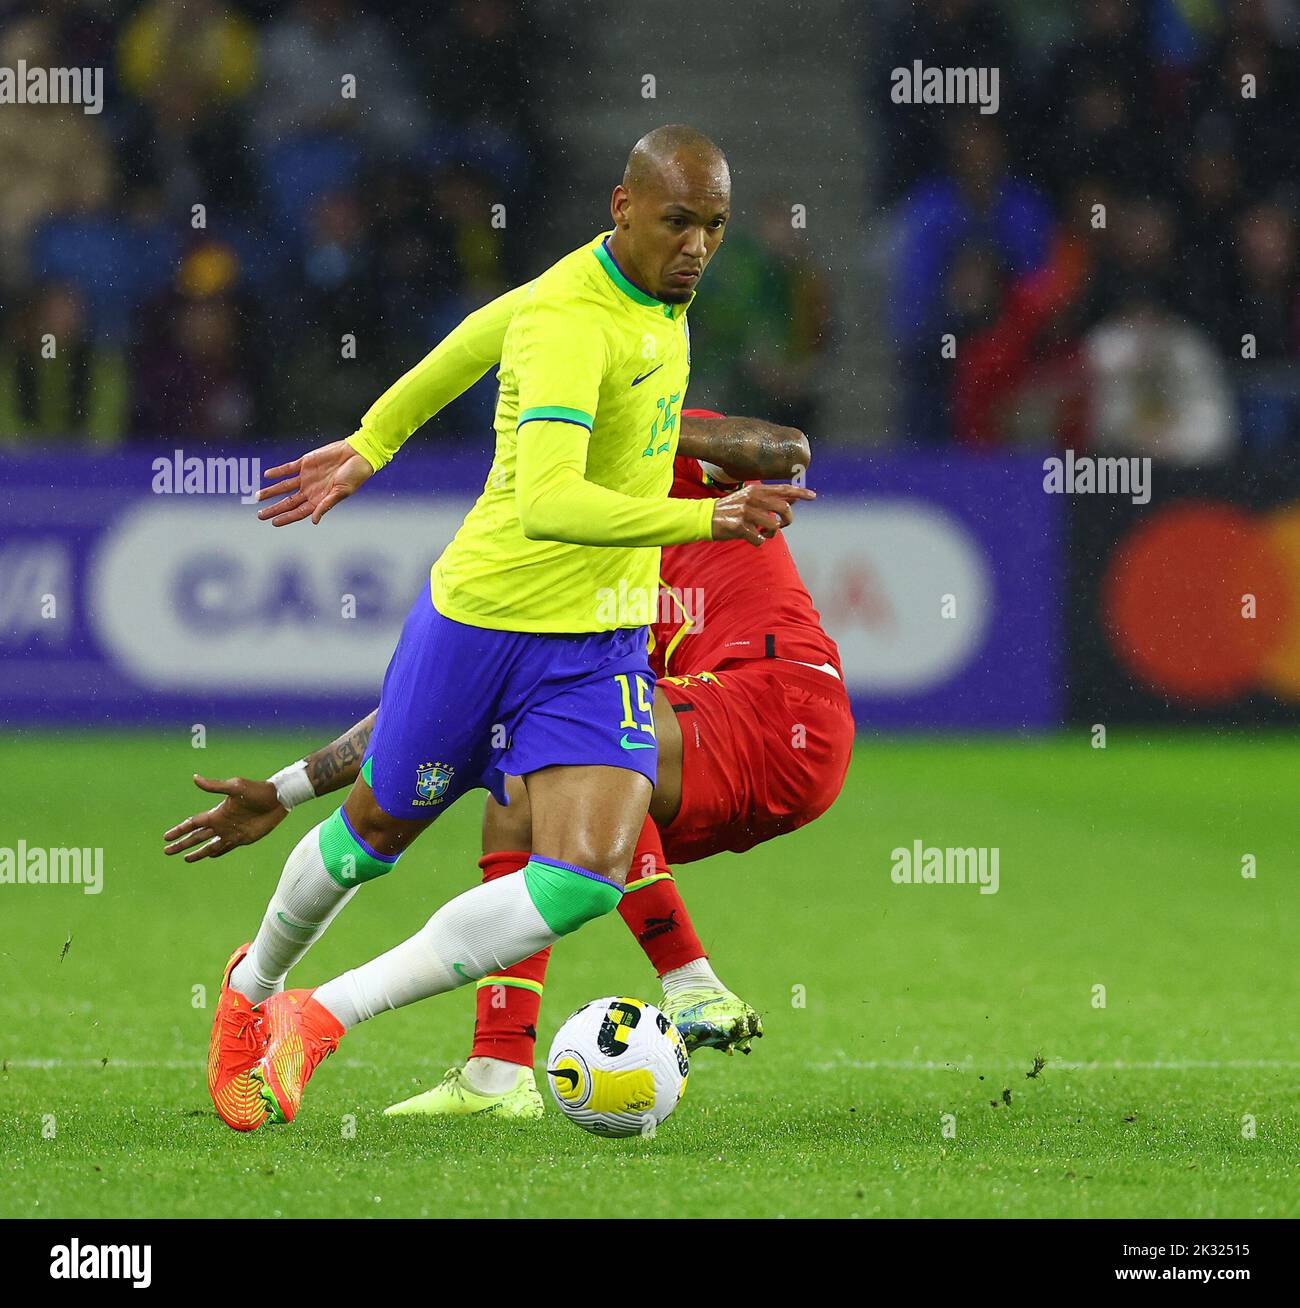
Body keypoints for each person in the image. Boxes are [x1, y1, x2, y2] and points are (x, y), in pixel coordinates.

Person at [203, 124, 814, 1131]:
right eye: (677, 222)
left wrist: (373, 440)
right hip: (484, 623)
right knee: (373, 839)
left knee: (579, 880)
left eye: (713, 225)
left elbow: (474, 336)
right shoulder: (577, 320)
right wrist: (706, 516)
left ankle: (318, 1017)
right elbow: (549, 504)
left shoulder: (651, 297)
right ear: (622, 209)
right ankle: (251, 984)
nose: (698, 246)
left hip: (599, 646)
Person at [167, 410, 853, 1120]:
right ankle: (498, 1071)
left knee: (562, 748)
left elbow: (785, 450)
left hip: (782, 702)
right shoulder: (560, 545)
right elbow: (447, 708)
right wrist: (291, 786)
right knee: (524, 776)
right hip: (707, 741)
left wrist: (637, 424)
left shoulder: (665, 452)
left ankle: (689, 981)